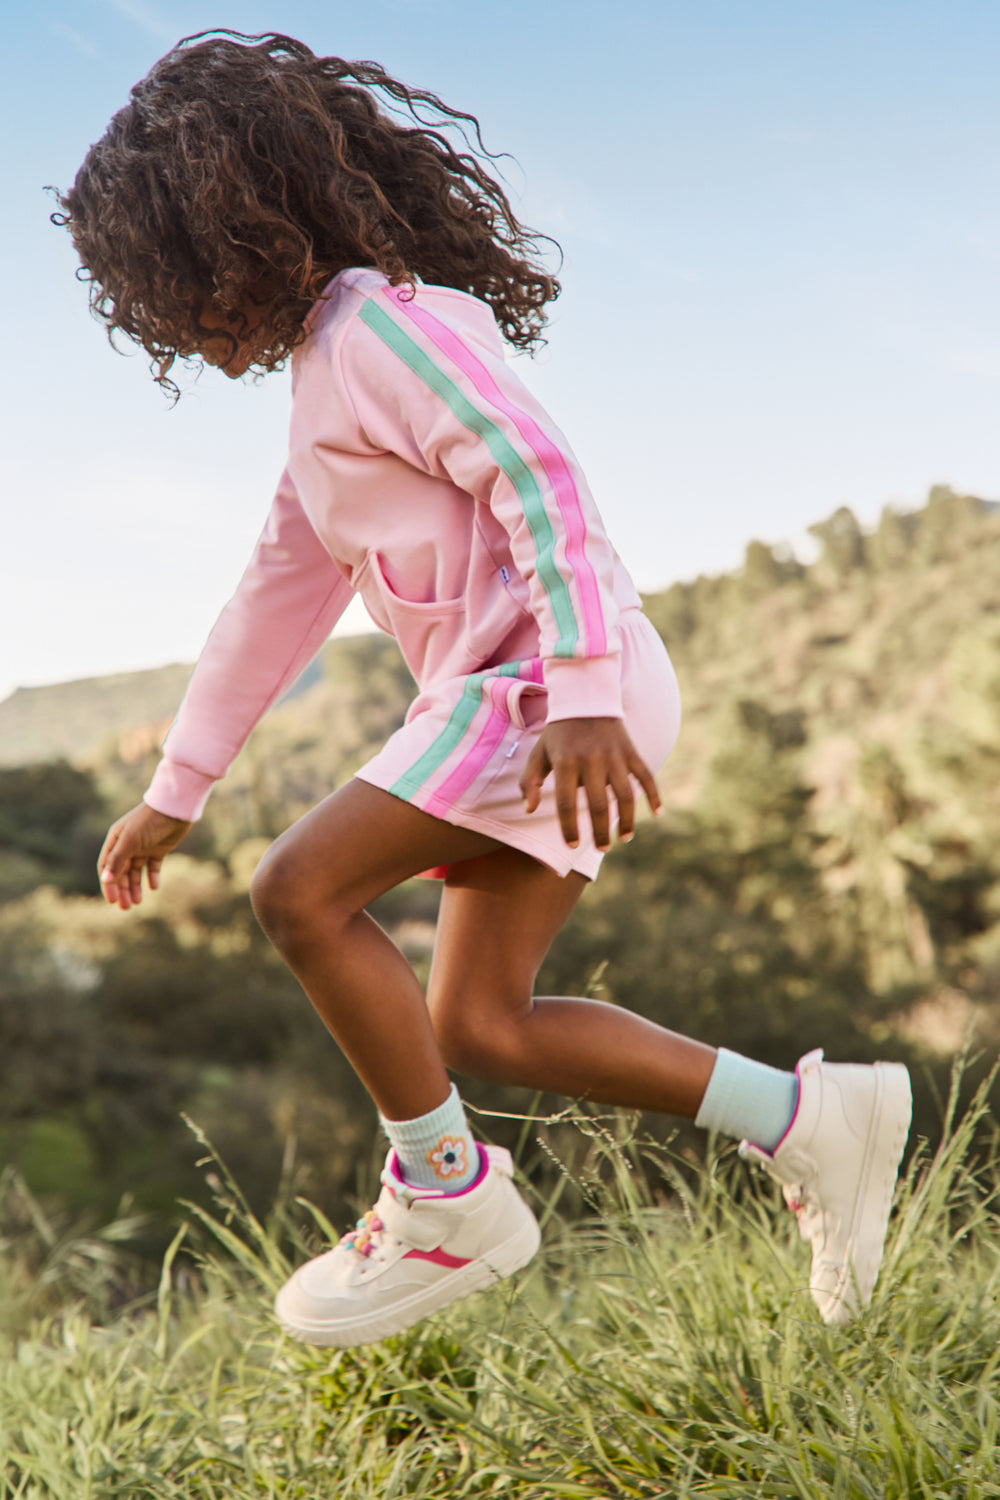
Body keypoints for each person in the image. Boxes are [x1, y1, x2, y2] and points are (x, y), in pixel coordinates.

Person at [60, 30, 911, 1348]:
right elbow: (268, 605)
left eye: (159, 277)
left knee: (297, 888)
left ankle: (445, 1199)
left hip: (552, 691)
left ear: (217, 234)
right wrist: (177, 788)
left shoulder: (378, 324)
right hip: (542, 695)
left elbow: (535, 469)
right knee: (483, 1022)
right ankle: (811, 1121)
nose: (164, 315)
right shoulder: (321, 394)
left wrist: (573, 687)